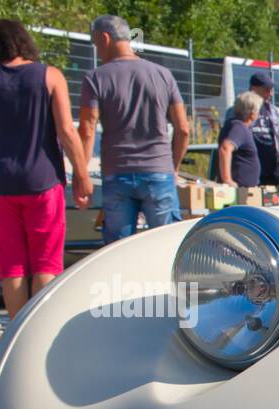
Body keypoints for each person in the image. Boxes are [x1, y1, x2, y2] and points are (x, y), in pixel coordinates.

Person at [0, 19, 91, 319]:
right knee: (46, 262)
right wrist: (82, 176)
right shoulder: (50, 76)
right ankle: (39, 330)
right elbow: (66, 133)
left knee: (12, 265)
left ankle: (15, 337)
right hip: (43, 181)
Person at [78, 15, 188, 246]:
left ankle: (123, 283)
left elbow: (87, 130)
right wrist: (173, 166)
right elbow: (183, 129)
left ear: (105, 38)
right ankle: (166, 283)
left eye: (96, 44)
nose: (97, 50)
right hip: (158, 171)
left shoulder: (95, 78)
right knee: (168, 247)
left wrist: (82, 174)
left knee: (118, 249)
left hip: (117, 173)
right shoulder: (163, 75)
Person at [248, 73, 279, 186]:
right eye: (266, 89)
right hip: (251, 169)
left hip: (271, 169)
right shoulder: (240, 109)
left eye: (271, 89)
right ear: (254, 88)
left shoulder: (272, 110)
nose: (270, 93)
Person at [217, 93, 262, 188]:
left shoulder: (236, 125)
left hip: (244, 191)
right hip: (238, 193)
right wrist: (227, 180)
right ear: (252, 114)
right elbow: (225, 148)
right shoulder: (238, 127)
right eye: (258, 111)